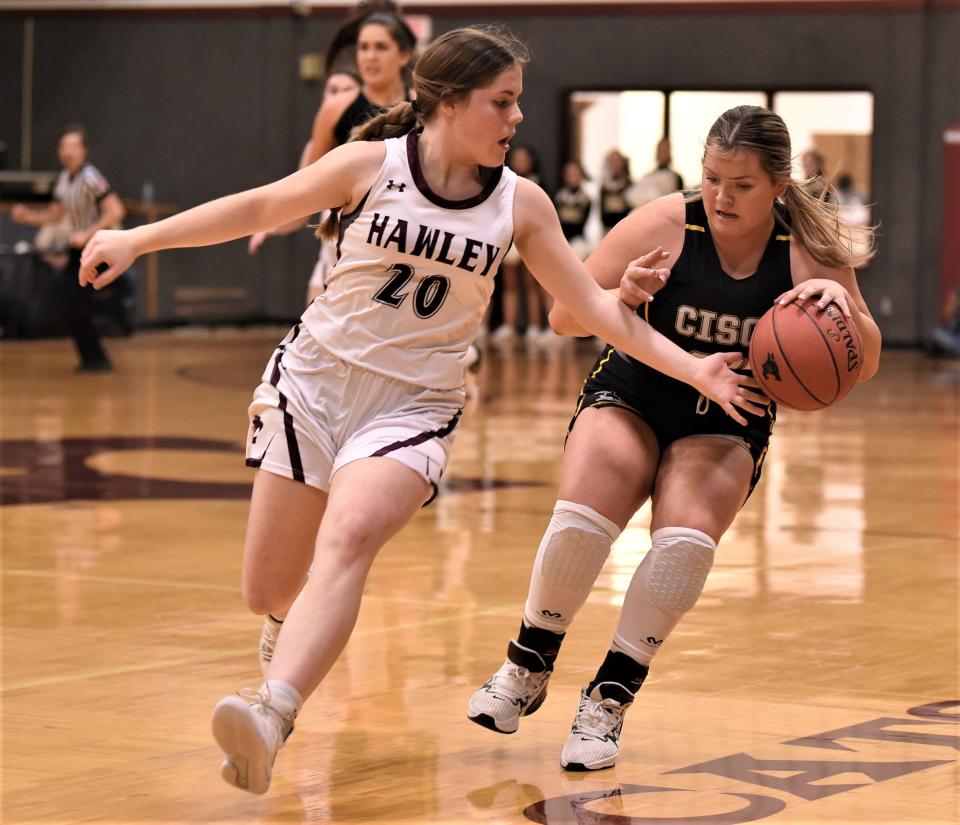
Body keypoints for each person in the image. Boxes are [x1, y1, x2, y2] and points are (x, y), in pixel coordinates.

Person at [80, 29, 759, 796]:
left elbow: (596, 312)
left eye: (518, 103)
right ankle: (287, 623)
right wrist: (138, 238)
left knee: (350, 536)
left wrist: (689, 362)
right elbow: (263, 204)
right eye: (501, 103)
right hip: (313, 384)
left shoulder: (520, 204)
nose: (515, 118)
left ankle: (271, 716)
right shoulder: (371, 166)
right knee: (269, 589)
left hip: (412, 405)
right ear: (447, 103)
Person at [468, 104, 881, 771]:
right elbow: (565, 315)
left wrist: (847, 318)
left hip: (729, 414)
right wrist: (623, 297)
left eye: (741, 184)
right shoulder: (665, 222)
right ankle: (527, 662)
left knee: (684, 547)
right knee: (581, 523)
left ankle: (609, 697)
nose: (721, 194)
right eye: (712, 177)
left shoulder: (808, 251)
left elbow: (868, 360)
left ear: (778, 184)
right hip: (634, 390)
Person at [248, 5, 415, 305]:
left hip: (408, 240)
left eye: (380, 47)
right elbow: (304, 187)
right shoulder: (335, 109)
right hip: (348, 241)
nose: (370, 55)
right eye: (363, 47)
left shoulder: (423, 110)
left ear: (403, 55)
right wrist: (271, 222)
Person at [11, 125, 125, 371]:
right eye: (64, 146)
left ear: (84, 151)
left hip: (97, 247)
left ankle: (97, 358)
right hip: (78, 250)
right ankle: (91, 358)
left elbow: (115, 210)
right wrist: (27, 216)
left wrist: (88, 233)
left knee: (76, 301)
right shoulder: (64, 179)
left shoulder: (91, 177)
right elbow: (55, 215)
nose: (68, 152)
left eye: (74, 146)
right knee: (66, 301)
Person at [490, 145, 551, 343]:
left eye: (524, 159)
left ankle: (534, 326)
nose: (520, 162)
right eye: (517, 158)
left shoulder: (537, 184)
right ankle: (509, 325)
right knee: (509, 285)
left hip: (528, 237)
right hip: (508, 236)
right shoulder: (504, 183)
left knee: (531, 284)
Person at [627, 137, 684, 208]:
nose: (663, 154)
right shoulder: (648, 176)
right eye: (661, 150)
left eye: (666, 150)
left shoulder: (676, 177)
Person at [553, 159, 592, 261]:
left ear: (581, 176)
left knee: (578, 252)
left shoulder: (585, 198)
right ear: (565, 176)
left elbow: (584, 224)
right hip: (560, 237)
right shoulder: (559, 196)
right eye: (569, 174)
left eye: (575, 174)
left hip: (578, 238)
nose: (572, 177)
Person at [598, 148, 633, 233]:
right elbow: (602, 210)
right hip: (608, 229)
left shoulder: (628, 184)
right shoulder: (605, 186)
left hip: (625, 229)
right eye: (612, 161)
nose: (615, 164)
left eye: (618, 161)